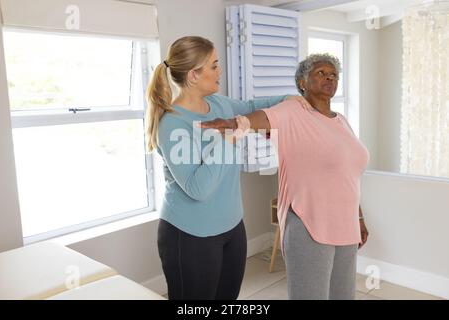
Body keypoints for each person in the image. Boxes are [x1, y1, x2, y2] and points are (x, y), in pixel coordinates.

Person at [200, 53, 370, 300]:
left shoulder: (341, 121)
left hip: (346, 224)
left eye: (333, 74)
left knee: (343, 296)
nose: (329, 77)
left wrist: (359, 217)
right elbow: (261, 118)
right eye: (321, 73)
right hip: (308, 222)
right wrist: (235, 123)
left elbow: (348, 176)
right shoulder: (293, 111)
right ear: (302, 82)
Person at [145, 36, 302, 300]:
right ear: (194, 75)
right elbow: (199, 188)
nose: (220, 72)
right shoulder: (172, 124)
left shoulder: (219, 105)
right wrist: (228, 138)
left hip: (232, 229)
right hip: (190, 236)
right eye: (214, 66)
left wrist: (291, 100)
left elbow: (252, 107)